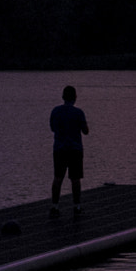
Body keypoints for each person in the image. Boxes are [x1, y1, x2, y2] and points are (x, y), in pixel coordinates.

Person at [50, 85, 89, 213]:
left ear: (63, 97)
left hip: (60, 149)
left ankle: (54, 206)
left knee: (57, 178)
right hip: (75, 149)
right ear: (75, 97)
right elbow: (85, 131)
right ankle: (77, 206)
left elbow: (52, 128)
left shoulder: (55, 111)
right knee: (75, 179)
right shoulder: (79, 113)